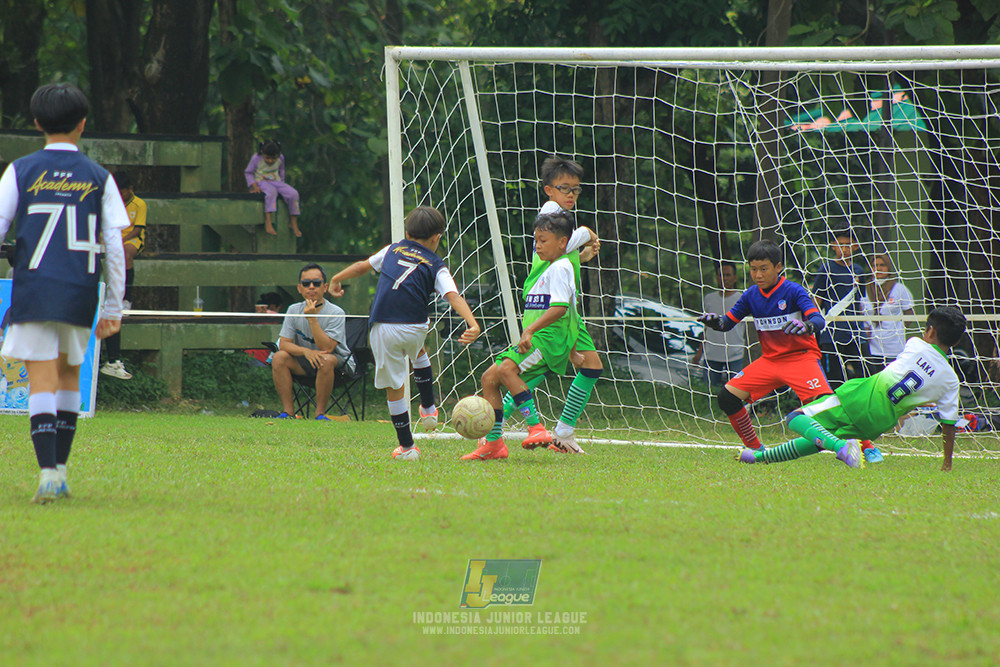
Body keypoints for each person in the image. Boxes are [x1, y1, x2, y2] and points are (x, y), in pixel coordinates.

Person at [0, 82, 128, 503]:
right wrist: (113, 307)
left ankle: (47, 474)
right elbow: (114, 247)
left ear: (37, 123)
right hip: (78, 291)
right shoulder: (99, 176)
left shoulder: (20, 170)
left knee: (40, 378)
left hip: (34, 288)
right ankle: (61, 470)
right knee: (69, 374)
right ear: (83, 124)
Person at [327, 206, 480, 460]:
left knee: (395, 386)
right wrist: (472, 323)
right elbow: (453, 295)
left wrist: (337, 278)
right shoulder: (435, 264)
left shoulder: (392, 250)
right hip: (416, 326)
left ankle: (407, 448)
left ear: (407, 232)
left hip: (384, 326)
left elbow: (363, 266)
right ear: (436, 238)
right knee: (418, 350)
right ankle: (429, 408)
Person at [740, 307, 966, 471]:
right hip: (877, 424)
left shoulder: (915, 344)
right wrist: (947, 464)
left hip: (858, 399)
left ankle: (843, 448)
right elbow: (948, 425)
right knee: (818, 439)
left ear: (930, 331)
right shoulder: (951, 381)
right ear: (955, 343)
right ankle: (760, 458)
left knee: (795, 417)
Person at [463, 211, 598, 461]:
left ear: (562, 242)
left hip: (546, 340)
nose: (537, 246)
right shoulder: (547, 269)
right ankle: (494, 444)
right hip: (543, 339)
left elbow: (561, 310)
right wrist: (571, 353)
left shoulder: (560, 267)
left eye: (543, 240)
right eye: (535, 240)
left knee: (505, 371)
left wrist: (530, 330)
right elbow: (568, 310)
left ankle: (536, 428)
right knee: (489, 378)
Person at [500, 155, 602, 454]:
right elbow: (575, 237)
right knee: (530, 372)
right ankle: (494, 425)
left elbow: (563, 254)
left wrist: (582, 256)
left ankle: (563, 433)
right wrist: (588, 234)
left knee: (592, 366)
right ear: (549, 190)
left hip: (563, 306)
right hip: (549, 306)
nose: (571, 194)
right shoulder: (550, 212)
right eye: (564, 188)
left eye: (576, 189)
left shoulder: (559, 220)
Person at [698, 239, 832, 453]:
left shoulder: (793, 291)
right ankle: (756, 449)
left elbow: (818, 320)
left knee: (827, 407)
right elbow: (727, 322)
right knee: (727, 397)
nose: (758, 275)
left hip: (801, 358)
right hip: (770, 361)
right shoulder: (751, 295)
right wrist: (716, 322)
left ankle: (865, 446)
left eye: (763, 269)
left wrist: (806, 325)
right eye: (753, 269)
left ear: (778, 267)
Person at [271, 263, 352, 420]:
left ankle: (319, 414)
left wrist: (312, 319)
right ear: (299, 288)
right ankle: (288, 413)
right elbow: (284, 343)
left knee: (325, 359)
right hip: (305, 361)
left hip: (336, 366)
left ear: (325, 287)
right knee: (279, 357)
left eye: (317, 283)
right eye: (306, 284)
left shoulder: (336, 312)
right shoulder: (293, 310)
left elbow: (327, 348)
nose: (311, 287)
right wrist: (305, 351)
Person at [99, 171, 146, 380]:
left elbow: (137, 230)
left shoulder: (139, 204)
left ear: (130, 190)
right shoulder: (107, 202)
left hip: (129, 241)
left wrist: (118, 239)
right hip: (109, 240)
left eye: (122, 191)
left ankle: (126, 299)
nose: (119, 194)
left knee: (126, 254)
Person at [811, 228, 869, 387]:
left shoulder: (858, 270)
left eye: (848, 245)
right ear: (833, 245)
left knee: (864, 372)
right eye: (840, 244)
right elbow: (816, 301)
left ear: (855, 246)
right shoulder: (826, 269)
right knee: (834, 378)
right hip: (831, 333)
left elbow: (860, 302)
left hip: (855, 331)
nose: (844, 249)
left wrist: (864, 326)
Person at [691, 261, 746, 392]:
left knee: (736, 392)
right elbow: (705, 329)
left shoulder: (742, 298)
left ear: (735, 277)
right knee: (709, 392)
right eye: (720, 275)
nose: (724, 278)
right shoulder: (709, 298)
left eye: (727, 274)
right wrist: (699, 354)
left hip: (735, 355)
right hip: (711, 355)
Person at [861, 252, 915, 373]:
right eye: (875, 265)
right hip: (871, 347)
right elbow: (861, 313)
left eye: (882, 265)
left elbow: (909, 315)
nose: (878, 268)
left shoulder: (899, 289)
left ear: (888, 267)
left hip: (894, 347)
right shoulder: (864, 288)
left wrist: (897, 329)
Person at [245, 140, 301, 237]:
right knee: (271, 193)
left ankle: (293, 221)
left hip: (276, 181)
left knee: (294, 194)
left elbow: (281, 170)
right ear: (263, 153)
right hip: (261, 182)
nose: (270, 161)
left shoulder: (281, 158)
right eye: (267, 158)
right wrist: (255, 186)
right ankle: (268, 221)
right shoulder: (256, 158)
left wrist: (282, 185)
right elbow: (248, 173)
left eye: (273, 158)